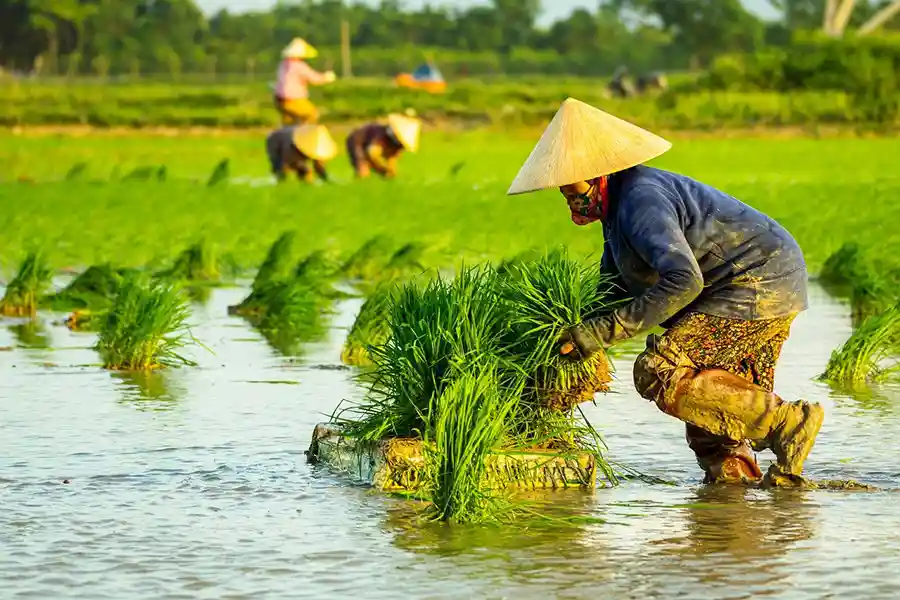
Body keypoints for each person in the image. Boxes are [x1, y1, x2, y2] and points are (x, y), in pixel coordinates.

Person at [506, 98, 824, 488]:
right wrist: (566, 335)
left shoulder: (640, 201)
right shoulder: (617, 209)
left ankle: (787, 423)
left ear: (597, 173)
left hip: (757, 282)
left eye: (571, 183)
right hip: (759, 282)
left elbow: (684, 280)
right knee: (712, 404)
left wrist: (602, 332)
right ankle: (734, 495)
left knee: (660, 370)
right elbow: (614, 290)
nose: (566, 194)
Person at [273, 38, 336, 126]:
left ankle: (288, 133)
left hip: (279, 99)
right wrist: (326, 77)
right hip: (293, 99)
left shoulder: (283, 64)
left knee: (289, 122)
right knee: (312, 114)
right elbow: (314, 79)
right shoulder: (299, 66)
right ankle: (304, 133)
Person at [346, 111, 421, 179]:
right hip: (357, 141)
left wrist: (391, 171)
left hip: (369, 143)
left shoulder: (397, 145)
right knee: (363, 170)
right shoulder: (381, 136)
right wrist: (382, 169)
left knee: (389, 174)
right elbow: (372, 155)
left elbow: (392, 159)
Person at [266, 124, 337, 183]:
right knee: (280, 166)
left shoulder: (317, 143)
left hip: (294, 139)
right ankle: (280, 179)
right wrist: (304, 169)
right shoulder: (291, 144)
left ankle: (304, 179)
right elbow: (291, 161)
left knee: (305, 171)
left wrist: (323, 175)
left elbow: (319, 162)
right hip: (277, 141)